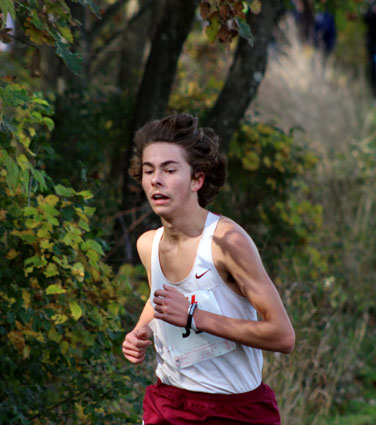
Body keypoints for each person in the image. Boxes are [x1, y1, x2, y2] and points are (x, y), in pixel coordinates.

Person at [122, 113, 295, 425]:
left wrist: (193, 316)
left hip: (235, 411)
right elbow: (158, 299)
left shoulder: (227, 242)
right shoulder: (148, 244)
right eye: (148, 171)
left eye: (169, 170)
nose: (156, 180)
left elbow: (283, 336)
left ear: (197, 180)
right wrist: (141, 331)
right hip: (169, 404)